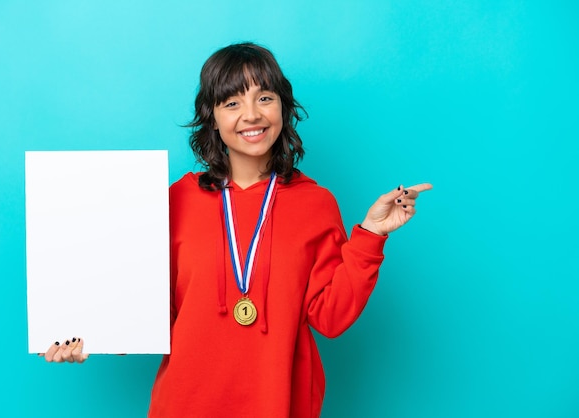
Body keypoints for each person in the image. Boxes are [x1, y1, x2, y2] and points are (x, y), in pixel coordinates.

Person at [41, 42, 432, 418]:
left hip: (280, 405)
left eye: (264, 98)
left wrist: (371, 234)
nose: (251, 114)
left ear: (283, 105)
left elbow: (330, 318)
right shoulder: (176, 199)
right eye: (232, 102)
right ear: (212, 116)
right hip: (185, 406)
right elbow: (145, 314)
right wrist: (86, 332)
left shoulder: (316, 204)